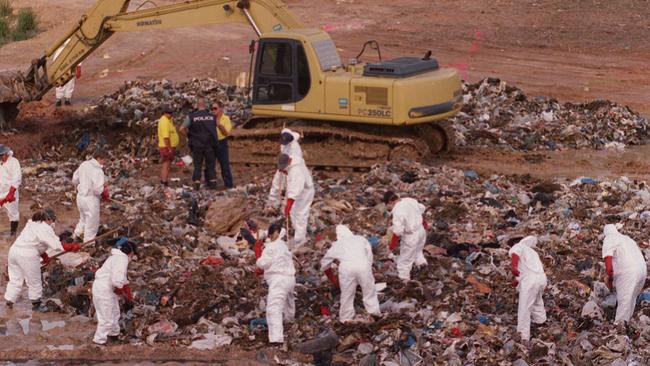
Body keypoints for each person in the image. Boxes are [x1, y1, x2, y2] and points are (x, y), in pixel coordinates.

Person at [4, 209, 81, 310]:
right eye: (52, 220)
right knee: (34, 280)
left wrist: (44, 255)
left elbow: (35, 242)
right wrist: (72, 247)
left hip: (14, 251)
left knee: (15, 279)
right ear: (47, 219)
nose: (53, 223)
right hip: (27, 255)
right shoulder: (45, 228)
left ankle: (9, 300)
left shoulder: (32, 223)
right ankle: (36, 304)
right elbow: (57, 245)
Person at [320, 225, 380, 322]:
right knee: (369, 292)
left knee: (347, 294)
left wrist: (333, 280)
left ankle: (345, 319)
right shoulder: (361, 239)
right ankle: (374, 314)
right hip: (363, 265)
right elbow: (369, 255)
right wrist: (367, 268)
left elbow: (325, 264)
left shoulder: (338, 244)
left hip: (346, 268)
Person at [255, 223, 296, 344]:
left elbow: (263, 264)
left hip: (278, 279)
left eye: (270, 234)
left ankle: (276, 339)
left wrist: (258, 254)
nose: (270, 237)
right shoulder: (284, 246)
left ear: (275, 233)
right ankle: (290, 324)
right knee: (288, 304)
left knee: (274, 308)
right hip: (290, 279)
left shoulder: (272, 247)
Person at [92, 238, 137, 345]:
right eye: (132, 254)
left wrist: (129, 298)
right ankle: (98, 342)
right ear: (128, 251)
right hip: (104, 290)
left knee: (115, 312)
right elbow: (117, 281)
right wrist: (123, 295)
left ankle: (113, 335)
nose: (132, 256)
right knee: (106, 318)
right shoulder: (122, 259)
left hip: (106, 289)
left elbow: (124, 281)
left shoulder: (116, 258)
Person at [602, 224, 647, 324]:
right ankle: (626, 324)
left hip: (628, 272)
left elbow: (608, 262)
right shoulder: (627, 239)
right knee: (631, 299)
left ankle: (619, 329)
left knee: (624, 300)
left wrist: (609, 275)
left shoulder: (609, 238)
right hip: (642, 270)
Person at [267, 153, 314, 248]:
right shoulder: (282, 167)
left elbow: (295, 190)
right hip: (292, 189)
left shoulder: (296, 170)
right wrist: (271, 200)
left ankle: (300, 240)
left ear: (289, 162)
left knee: (300, 214)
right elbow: (276, 183)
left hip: (304, 191)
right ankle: (296, 230)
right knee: (293, 213)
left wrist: (288, 204)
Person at [509, 236, 547, 341]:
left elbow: (515, 255)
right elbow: (527, 270)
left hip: (531, 280)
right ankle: (541, 322)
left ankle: (523, 337)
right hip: (541, 278)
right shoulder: (532, 252)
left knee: (524, 307)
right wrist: (517, 281)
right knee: (537, 300)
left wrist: (513, 267)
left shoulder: (518, 246)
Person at [383, 191, 428, 280]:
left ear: (390, 202)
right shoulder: (409, 200)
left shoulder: (397, 210)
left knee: (405, 260)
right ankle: (422, 266)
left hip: (411, 236)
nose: (389, 209)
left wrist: (391, 247)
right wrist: (425, 225)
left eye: (388, 206)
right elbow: (421, 210)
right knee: (418, 252)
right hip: (421, 230)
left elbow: (398, 232)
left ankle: (404, 280)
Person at [180, 98, 219, 190]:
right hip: (210, 144)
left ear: (197, 106)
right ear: (205, 106)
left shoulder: (191, 117)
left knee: (198, 164)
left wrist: (189, 136)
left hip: (197, 144)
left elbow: (181, 128)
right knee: (210, 164)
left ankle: (197, 181)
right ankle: (212, 182)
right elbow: (219, 125)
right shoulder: (212, 116)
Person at [72, 150, 109, 242]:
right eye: (104, 160)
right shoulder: (98, 170)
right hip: (90, 199)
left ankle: (75, 236)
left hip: (80, 197)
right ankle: (88, 245)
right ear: (99, 158)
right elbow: (97, 189)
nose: (105, 162)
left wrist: (83, 184)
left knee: (83, 219)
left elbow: (74, 179)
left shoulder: (84, 164)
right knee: (92, 223)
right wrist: (103, 190)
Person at [0, 144, 21, 236]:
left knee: (13, 213)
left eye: (1, 156)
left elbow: (17, 177)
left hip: (11, 192)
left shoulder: (14, 162)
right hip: (0, 191)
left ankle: (13, 234)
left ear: (5, 154)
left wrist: (11, 192)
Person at [52, 38, 80, 106]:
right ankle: (59, 99)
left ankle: (67, 99)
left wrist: (79, 67)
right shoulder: (60, 50)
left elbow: (78, 57)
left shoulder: (74, 49)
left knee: (70, 84)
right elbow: (55, 61)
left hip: (70, 68)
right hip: (61, 69)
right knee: (60, 84)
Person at [212, 101, 234, 188]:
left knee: (224, 165)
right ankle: (211, 184)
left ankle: (228, 184)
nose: (213, 110)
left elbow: (226, 133)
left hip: (222, 142)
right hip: (212, 143)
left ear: (220, 109)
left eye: (215, 108)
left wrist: (219, 125)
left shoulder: (226, 119)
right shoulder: (210, 119)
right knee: (210, 165)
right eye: (212, 108)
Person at [157, 105, 179, 186]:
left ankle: (164, 181)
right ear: (164, 113)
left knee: (167, 164)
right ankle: (164, 182)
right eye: (169, 113)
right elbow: (166, 137)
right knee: (166, 164)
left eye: (171, 113)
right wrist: (169, 148)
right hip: (166, 147)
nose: (171, 114)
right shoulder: (164, 122)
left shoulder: (168, 120)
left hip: (168, 147)